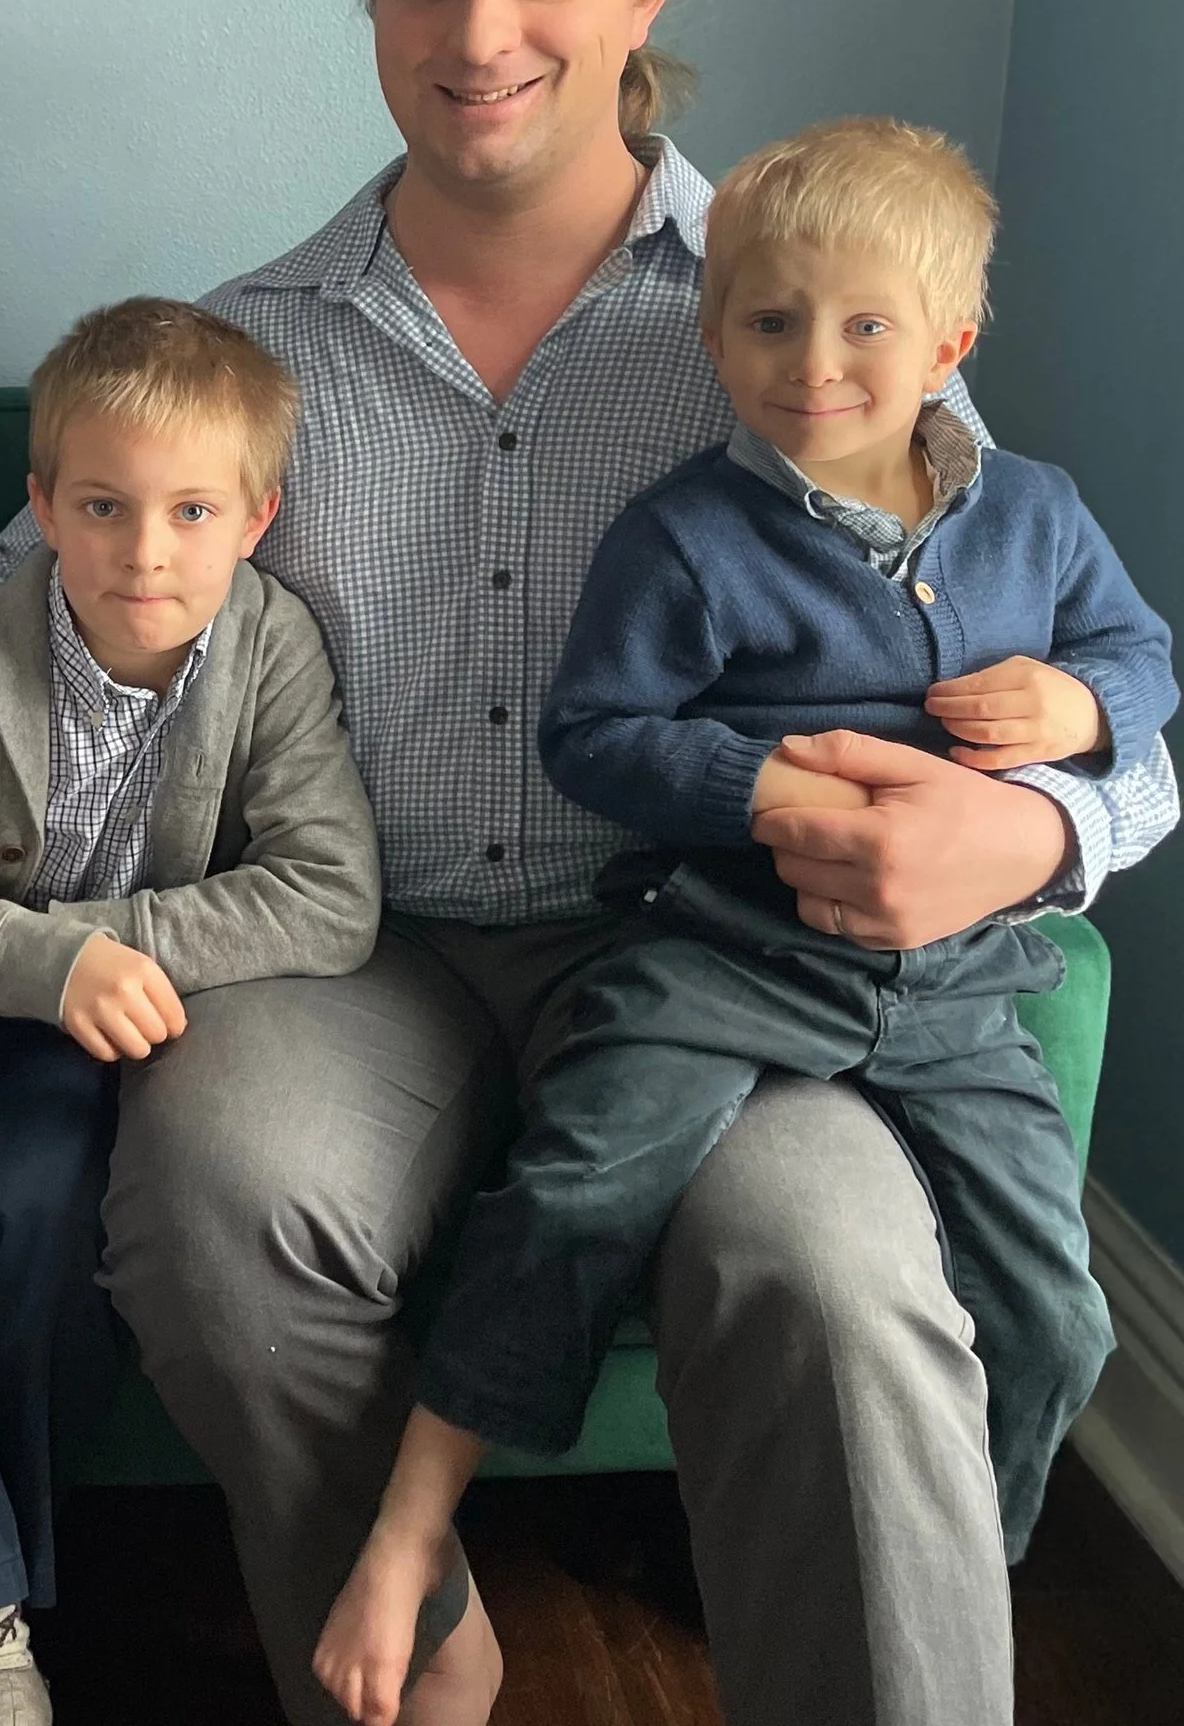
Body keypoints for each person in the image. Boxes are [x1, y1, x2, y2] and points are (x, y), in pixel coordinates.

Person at [0, 0, 1179, 1726]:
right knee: (212, 1191)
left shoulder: (797, 313)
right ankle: (409, 1644)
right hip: (357, 952)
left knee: (835, 1276)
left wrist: (1042, 834)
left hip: (725, 958)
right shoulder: (266, 347)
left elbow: (1066, 647)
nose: (475, 35)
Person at [319, 119, 1174, 1723]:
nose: (816, 364)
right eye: (770, 322)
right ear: (713, 337)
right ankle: (414, 1522)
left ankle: (953, 1576)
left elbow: (1148, 659)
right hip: (721, 958)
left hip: (951, 986)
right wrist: (766, 784)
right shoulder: (688, 535)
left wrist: (1077, 701)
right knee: (573, 1197)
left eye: (865, 326)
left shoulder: (1034, 518)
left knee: (1060, 1318)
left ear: (950, 343)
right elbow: (597, 733)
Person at [0, 299, 387, 1726]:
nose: (146, 550)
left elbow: (330, 896)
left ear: (258, 516)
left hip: (114, 1037)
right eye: (105, 507)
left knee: (57, 1223)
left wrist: (95, 951)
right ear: (42, 510)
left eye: (192, 509)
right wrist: (31, 964)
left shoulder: (273, 653)